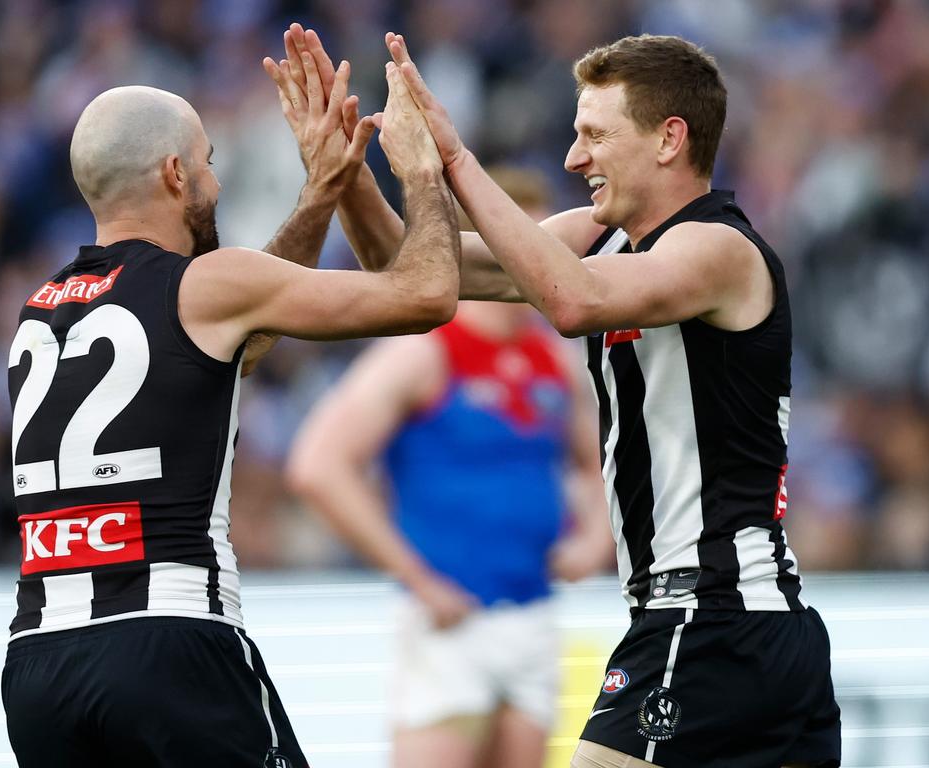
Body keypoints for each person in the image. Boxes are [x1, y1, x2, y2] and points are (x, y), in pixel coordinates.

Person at [267, 24, 841, 768]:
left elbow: (574, 303)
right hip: (730, 621)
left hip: (712, 614)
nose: (575, 158)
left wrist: (451, 159)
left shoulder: (719, 247)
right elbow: (407, 267)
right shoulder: (597, 239)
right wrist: (345, 172)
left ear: (669, 139)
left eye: (595, 136)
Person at [1, 49, 461, 768]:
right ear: (175, 174)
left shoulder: (39, 312)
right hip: (173, 644)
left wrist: (319, 197)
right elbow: (430, 293)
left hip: (36, 668)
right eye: (209, 162)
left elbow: (233, 346)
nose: (216, 181)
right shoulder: (205, 285)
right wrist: (423, 171)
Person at [287, 167, 613, 768]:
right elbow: (319, 464)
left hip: (534, 614)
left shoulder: (553, 359)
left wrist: (594, 540)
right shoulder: (423, 352)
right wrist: (416, 578)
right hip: (451, 623)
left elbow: (599, 464)